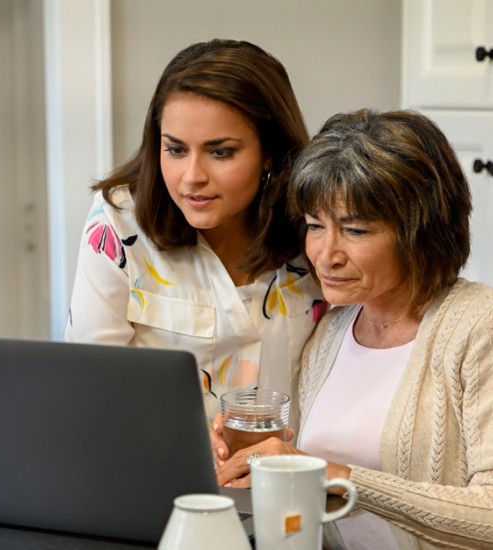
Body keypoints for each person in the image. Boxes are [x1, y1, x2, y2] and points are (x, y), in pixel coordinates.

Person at [214, 108, 493, 548]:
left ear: (421, 232)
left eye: (356, 230)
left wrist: (338, 477)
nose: (326, 255)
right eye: (314, 226)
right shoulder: (331, 331)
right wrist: (263, 463)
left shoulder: (479, 325)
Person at [64, 39, 325, 423]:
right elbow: (90, 389)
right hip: (163, 476)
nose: (192, 177)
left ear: (269, 152)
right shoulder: (118, 224)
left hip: (290, 475)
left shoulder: (316, 225)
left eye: (220, 152)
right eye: (175, 149)